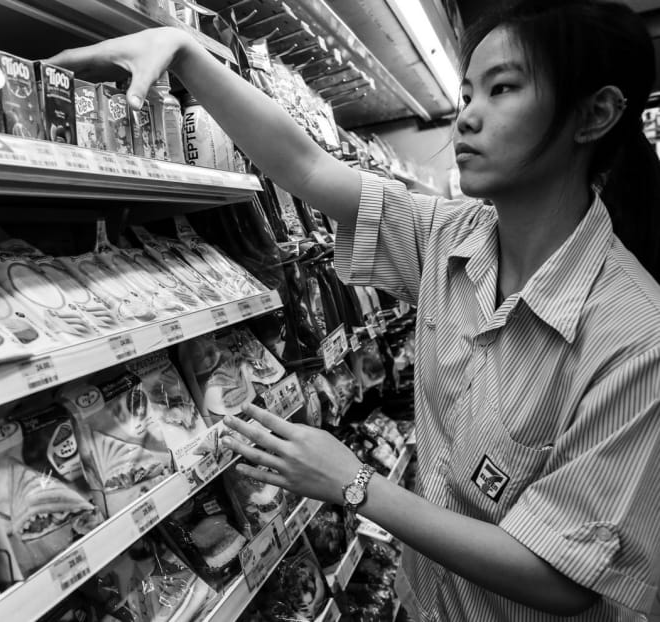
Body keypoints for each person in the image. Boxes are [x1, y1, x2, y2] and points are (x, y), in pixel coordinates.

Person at [48, 0, 660, 619]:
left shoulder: (635, 337)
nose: (467, 119)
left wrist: (353, 481)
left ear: (596, 114)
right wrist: (183, 53)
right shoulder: (451, 238)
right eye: (467, 92)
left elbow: (561, 578)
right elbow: (306, 164)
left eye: (502, 90)